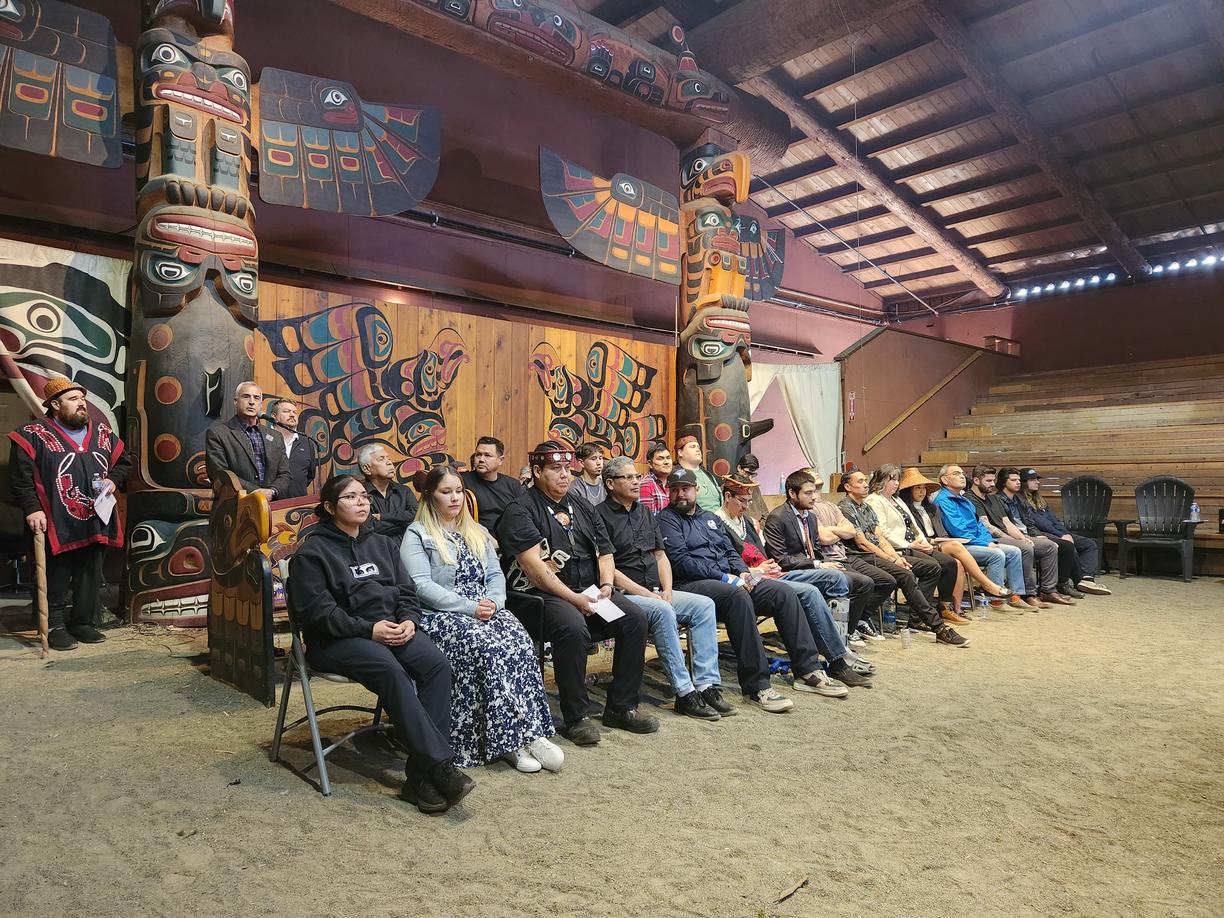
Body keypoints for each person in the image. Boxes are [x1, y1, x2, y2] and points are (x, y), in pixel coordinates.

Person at [288, 474, 473, 814]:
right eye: (350, 497)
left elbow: (406, 592)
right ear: (329, 507)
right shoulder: (313, 553)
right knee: (392, 671)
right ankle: (441, 767)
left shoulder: (383, 544)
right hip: (338, 640)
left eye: (363, 496)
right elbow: (318, 614)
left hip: (391, 629)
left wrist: (408, 621)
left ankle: (419, 777)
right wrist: (369, 630)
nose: (361, 502)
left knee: (436, 665)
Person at [401, 466, 563, 774]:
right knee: (485, 647)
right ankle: (507, 741)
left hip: (486, 608)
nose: (455, 498)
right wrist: (470, 607)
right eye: (445, 492)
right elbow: (421, 586)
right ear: (429, 496)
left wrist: (495, 602)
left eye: (458, 491)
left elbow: (495, 574)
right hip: (443, 615)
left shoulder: (475, 531)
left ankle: (531, 732)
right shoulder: (417, 534)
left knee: (521, 642)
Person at [496, 441, 656, 746]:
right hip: (539, 598)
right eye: (555, 469)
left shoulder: (581, 506)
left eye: (568, 469)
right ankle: (576, 717)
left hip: (589, 592)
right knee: (573, 626)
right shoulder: (520, 510)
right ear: (537, 471)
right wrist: (575, 599)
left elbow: (605, 553)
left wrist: (607, 587)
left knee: (634, 618)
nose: (564, 476)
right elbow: (534, 570)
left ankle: (621, 707)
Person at [658, 468, 836, 707]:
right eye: (675, 489)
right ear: (668, 492)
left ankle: (807, 670)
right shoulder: (665, 520)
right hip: (692, 585)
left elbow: (731, 551)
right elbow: (681, 561)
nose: (680, 494)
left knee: (782, 592)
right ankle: (757, 686)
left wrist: (742, 571)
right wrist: (728, 578)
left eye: (686, 488)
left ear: (697, 490)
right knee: (737, 596)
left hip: (728, 581)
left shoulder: (709, 518)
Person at [596, 456, 727, 720]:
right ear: (610, 483)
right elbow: (607, 567)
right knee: (662, 611)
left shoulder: (644, 512)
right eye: (628, 478)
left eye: (637, 477)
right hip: (624, 595)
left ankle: (706, 684)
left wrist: (666, 589)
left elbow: (660, 556)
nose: (636, 482)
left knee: (704, 606)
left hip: (655, 591)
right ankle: (684, 692)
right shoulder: (598, 515)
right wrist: (648, 594)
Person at [7, 376, 130, 650]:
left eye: (82, 399)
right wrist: (32, 509)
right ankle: (55, 624)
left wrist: (113, 479)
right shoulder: (31, 435)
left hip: (95, 517)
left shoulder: (102, 433)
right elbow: (20, 479)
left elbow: (124, 461)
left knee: (90, 572)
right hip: (54, 519)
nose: (81, 404)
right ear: (54, 405)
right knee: (56, 573)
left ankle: (81, 621)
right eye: (73, 399)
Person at [717, 475, 869, 691]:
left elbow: (764, 555)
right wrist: (760, 569)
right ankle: (834, 659)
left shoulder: (746, 522)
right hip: (753, 578)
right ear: (727, 497)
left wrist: (769, 566)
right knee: (809, 592)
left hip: (772, 573)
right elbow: (726, 561)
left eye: (749, 501)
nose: (746, 506)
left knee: (838, 578)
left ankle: (839, 649)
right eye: (742, 501)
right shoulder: (717, 522)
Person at [839, 468, 970, 647]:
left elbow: (880, 537)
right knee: (903, 576)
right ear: (848, 486)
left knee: (930, 567)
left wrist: (895, 557)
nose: (865, 485)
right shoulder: (845, 507)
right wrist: (891, 559)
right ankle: (939, 628)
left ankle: (866, 619)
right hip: (861, 555)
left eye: (865, 481)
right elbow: (862, 542)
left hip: (880, 552)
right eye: (860, 482)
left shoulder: (866, 506)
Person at [891, 467, 1011, 614]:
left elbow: (944, 532)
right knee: (956, 546)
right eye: (917, 488)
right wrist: (934, 542)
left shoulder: (932, 508)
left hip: (939, 542)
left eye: (924, 488)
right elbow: (911, 534)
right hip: (922, 544)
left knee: (958, 563)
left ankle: (954, 609)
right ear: (908, 490)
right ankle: (987, 585)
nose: (922, 491)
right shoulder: (906, 509)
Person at [867, 464, 972, 625]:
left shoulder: (896, 499)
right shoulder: (875, 500)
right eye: (891, 480)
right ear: (881, 481)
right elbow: (884, 532)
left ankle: (943, 607)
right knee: (933, 567)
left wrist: (924, 543)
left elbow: (914, 526)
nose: (895, 483)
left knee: (950, 563)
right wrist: (910, 546)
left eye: (897, 480)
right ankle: (919, 615)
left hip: (913, 543)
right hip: (898, 547)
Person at [932, 465, 1028, 612]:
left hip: (977, 542)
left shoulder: (964, 500)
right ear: (945, 479)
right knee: (997, 555)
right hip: (961, 544)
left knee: (1014, 551)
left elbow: (980, 525)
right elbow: (957, 530)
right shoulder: (944, 500)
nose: (962, 476)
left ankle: (1015, 596)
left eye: (963, 473)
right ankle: (995, 599)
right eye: (956, 474)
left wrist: (989, 541)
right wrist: (985, 544)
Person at [967, 466, 1056, 609]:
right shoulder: (970, 498)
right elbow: (988, 526)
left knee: (1049, 546)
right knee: (1024, 548)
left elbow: (1007, 523)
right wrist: (1014, 540)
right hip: (991, 537)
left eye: (993, 480)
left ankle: (1048, 590)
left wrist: (1021, 537)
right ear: (976, 480)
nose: (992, 484)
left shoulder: (993, 498)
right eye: (988, 481)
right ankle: (1028, 594)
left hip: (1005, 535)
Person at [1020, 468, 1111, 595]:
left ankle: (1087, 578)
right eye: (1033, 480)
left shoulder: (1040, 500)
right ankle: (1078, 579)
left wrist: (1065, 533)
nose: (1037, 482)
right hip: (1040, 533)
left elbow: (1054, 520)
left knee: (1089, 544)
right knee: (1068, 545)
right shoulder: (1021, 501)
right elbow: (1041, 524)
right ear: (1023, 482)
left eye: (1037, 479)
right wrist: (1061, 535)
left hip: (1056, 531)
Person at [995, 467, 1078, 604]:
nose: (1018, 483)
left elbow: (1029, 522)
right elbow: (1004, 525)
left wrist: (1037, 535)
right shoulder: (998, 499)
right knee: (1031, 547)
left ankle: (1049, 590)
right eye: (1014, 480)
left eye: (1019, 480)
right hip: (1012, 536)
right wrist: (1023, 537)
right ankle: (1029, 593)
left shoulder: (1019, 499)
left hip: (1028, 533)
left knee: (1054, 546)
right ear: (1004, 482)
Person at [204, 381, 291, 500]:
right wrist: (258, 494)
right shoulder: (218, 433)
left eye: (256, 398)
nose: (251, 402)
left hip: (272, 506)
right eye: (246, 397)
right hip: (235, 507)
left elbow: (285, 473)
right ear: (236, 401)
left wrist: (272, 491)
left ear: (261, 404)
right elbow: (219, 474)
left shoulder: (276, 436)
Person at [462, 436, 526, 535]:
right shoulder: (462, 482)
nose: (481, 459)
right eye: (478, 455)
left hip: (511, 538)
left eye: (487, 455)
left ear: (500, 460)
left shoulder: (513, 485)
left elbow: (524, 516)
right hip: (478, 538)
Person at [356, 443, 419, 539]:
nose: (389, 462)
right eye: (381, 459)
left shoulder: (404, 491)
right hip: (376, 550)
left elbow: (416, 515)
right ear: (367, 469)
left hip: (406, 549)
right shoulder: (361, 495)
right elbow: (370, 527)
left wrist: (382, 516)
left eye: (388, 458)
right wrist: (405, 523)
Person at [266, 397, 317, 498]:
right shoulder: (263, 438)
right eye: (286, 411)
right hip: (269, 504)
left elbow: (310, 475)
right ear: (274, 416)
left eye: (294, 412)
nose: (292, 415)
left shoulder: (306, 442)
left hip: (298, 505)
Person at [673, 436, 723, 513]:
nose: (698, 450)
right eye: (692, 447)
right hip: (695, 522)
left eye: (698, 447)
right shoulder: (678, 475)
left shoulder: (707, 474)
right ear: (680, 453)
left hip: (719, 521)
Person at [638, 441, 672, 514]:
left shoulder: (673, 484)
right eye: (660, 459)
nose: (666, 462)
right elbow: (648, 521)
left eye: (668, 458)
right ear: (650, 464)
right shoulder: (646, 485)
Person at [736, 452, 769, 522]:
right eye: (747, 473)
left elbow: (765, 515)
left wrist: (760, 528)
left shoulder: (755, 488)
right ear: (739, 468)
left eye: (753, 474)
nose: (750, 477)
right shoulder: (728, 487)